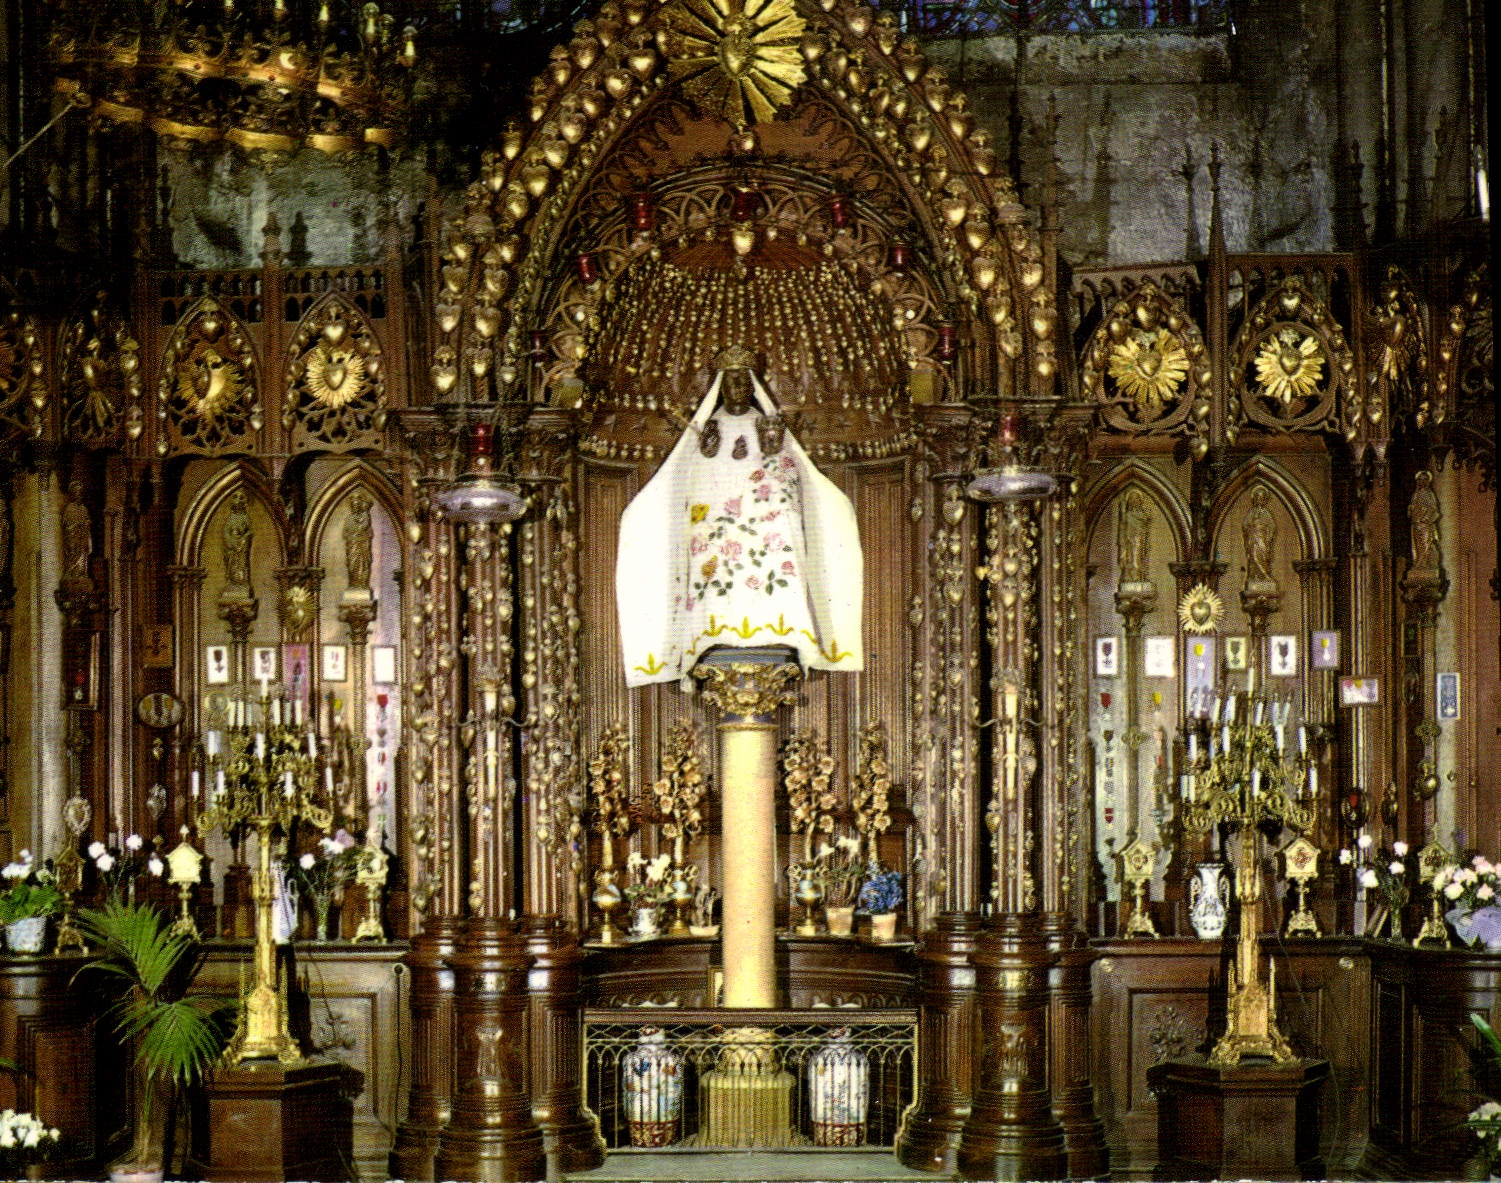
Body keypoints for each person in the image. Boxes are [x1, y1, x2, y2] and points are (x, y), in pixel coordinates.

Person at [616, 347, 863, 687]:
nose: (737, 390)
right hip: (719, 545)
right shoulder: (707, 430)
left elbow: (789, 487)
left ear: (751, 387)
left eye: (742, 383)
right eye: (730, 383)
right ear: (721, 387)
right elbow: (693, 491)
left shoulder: (768, 427)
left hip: (763, 537)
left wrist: (774, 448)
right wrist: (707, 451)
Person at [1243, 486, 1277, 588]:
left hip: (1263, 538)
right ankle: (1255, 577)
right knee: (1253, 556)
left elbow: (1271, 526)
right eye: (1258, 498)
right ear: (1255, 499)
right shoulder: (1251, 513)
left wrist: (1268, 537)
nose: (1259, 500)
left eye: (1262, 498)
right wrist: (1251, 530)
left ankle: (1264, 575)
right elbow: (1245, 525)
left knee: (1263, 556)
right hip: (1253, 538)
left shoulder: (1266, 513)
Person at [222, 488, 253, 591]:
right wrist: (231, 542)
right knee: (232, 564)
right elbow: (226, 531)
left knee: (242, 564)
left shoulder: (245, 517)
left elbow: (249, 531)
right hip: (232, 546)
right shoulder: (231, 518)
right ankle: (232, 581)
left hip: (242, 545)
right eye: (236, 498)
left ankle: (242, 582)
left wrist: (244, 539)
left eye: (241, 498)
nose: (238, 501)